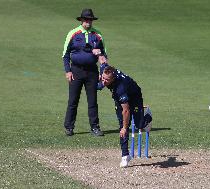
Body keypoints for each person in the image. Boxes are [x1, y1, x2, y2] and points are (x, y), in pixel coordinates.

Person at [62, 8, 108, 136]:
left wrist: (102, 71)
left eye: (90, 19)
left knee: (92, 101)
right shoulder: (73, 33)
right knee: (73, 100)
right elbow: (65, 54)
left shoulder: (98, 35)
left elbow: (104, 56)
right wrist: (68, 71)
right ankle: (69, 127)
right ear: (81, 20)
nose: (88, 21)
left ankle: (95, 127)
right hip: (76, 70)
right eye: (86, 19)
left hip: (92, 72)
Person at [99, 66, 152, 167]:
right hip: (121, 99)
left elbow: (126, 110)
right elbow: (102, 61)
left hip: (134, 97)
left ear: (113, 79)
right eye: (103, 78)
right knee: (122, 127)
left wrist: (124, 127)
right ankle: (125, 156)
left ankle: (148, 117)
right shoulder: (105, 70)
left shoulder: (120, 89)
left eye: (107, 79)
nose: (104, 81)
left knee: (139, 125)